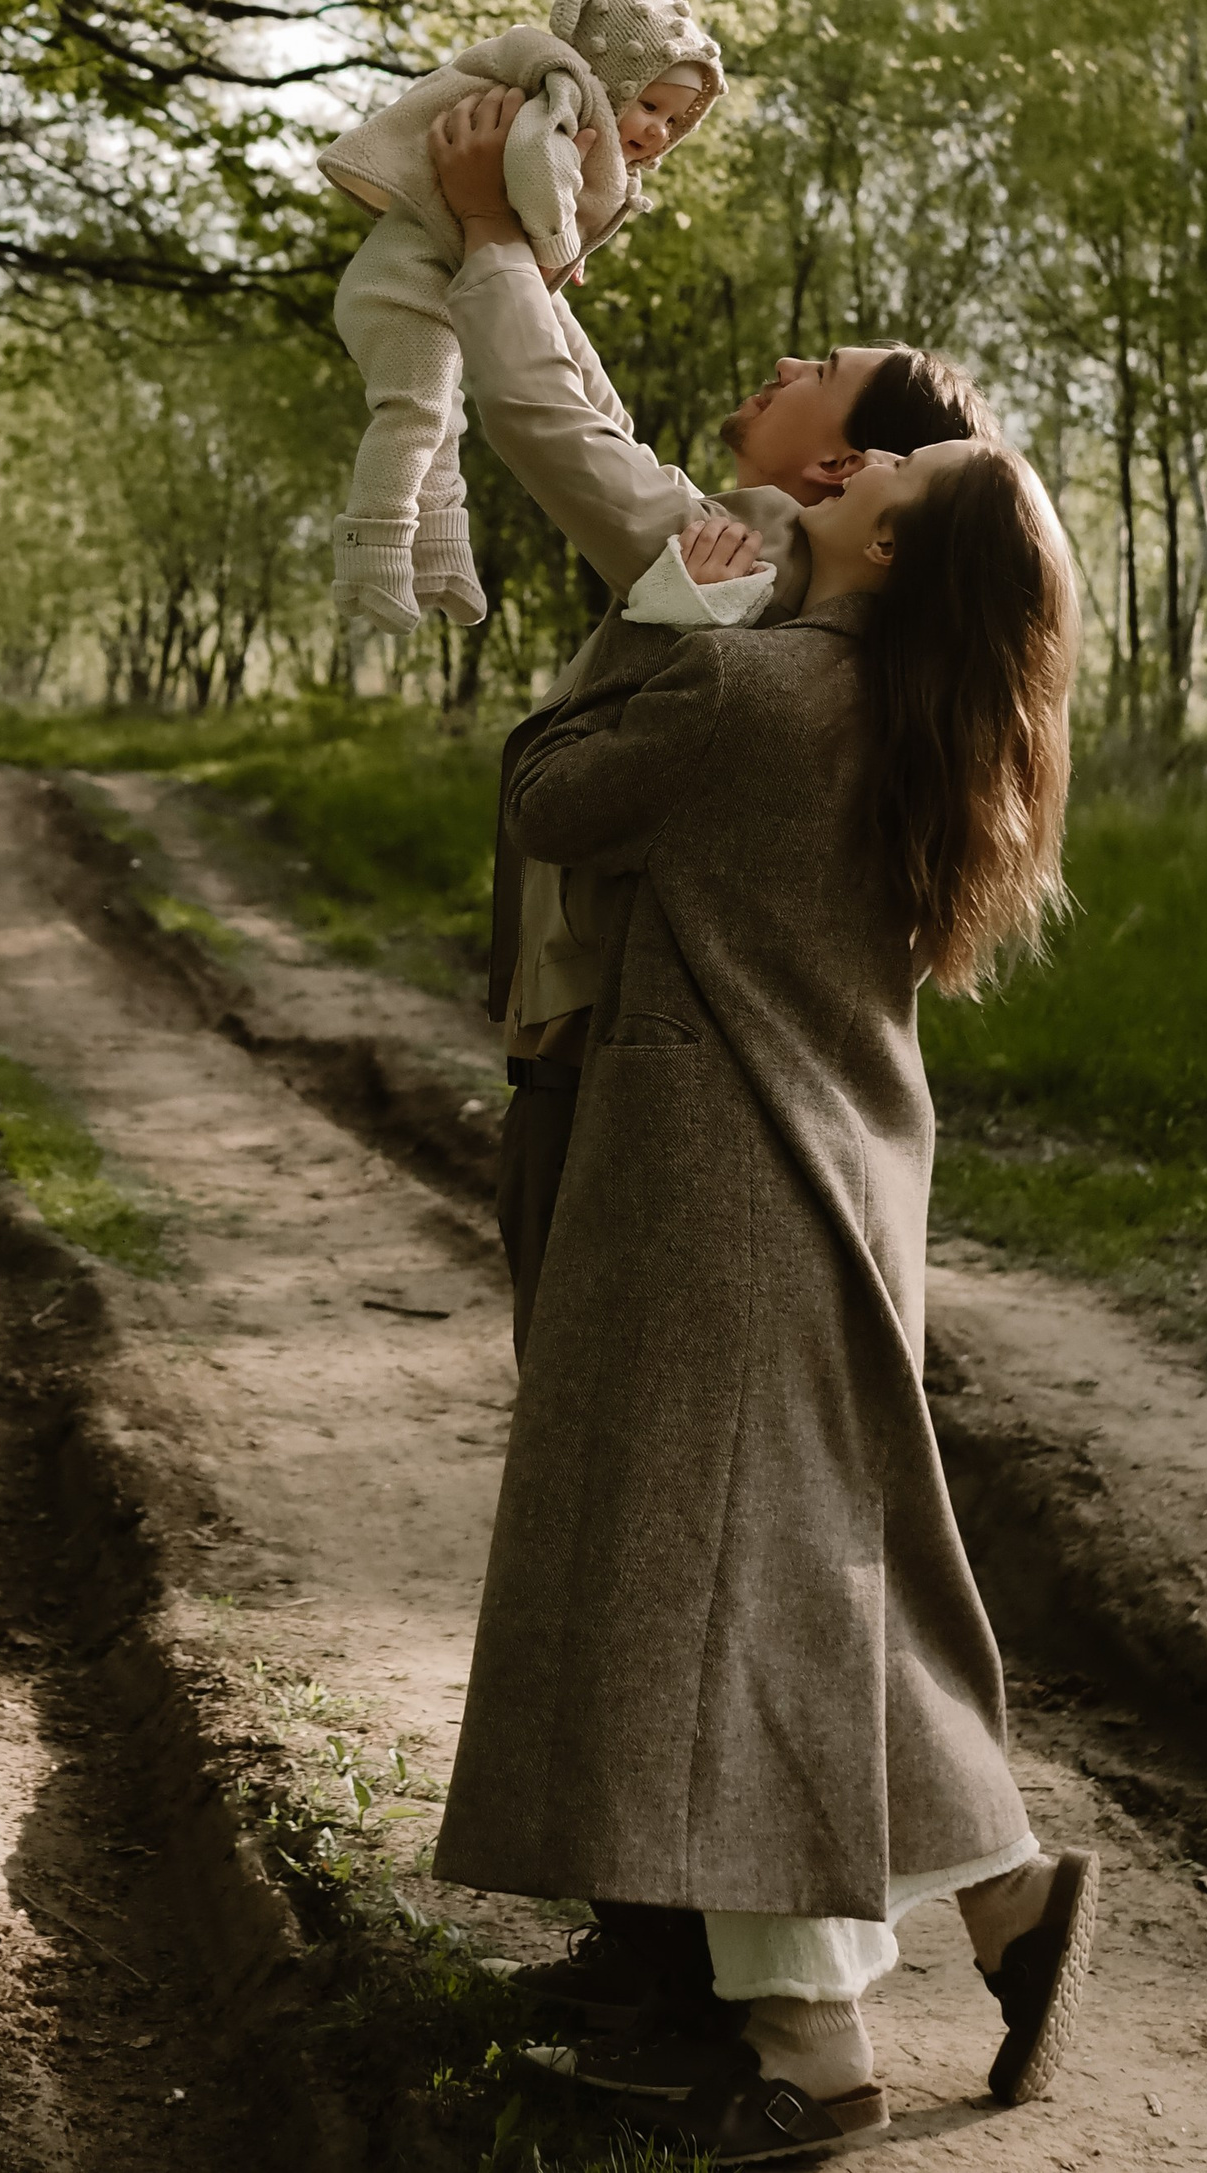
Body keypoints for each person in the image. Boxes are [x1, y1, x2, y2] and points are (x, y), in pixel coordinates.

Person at [433, 442, 1096, 2160]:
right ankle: (1008, 1896)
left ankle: (812, 2047)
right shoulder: (926, 715)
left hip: (707, 1191)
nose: (859, 453)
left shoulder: (750, 683)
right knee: (793, 1577)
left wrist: (673, 603)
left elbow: (542, 798)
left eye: (897, 459)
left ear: (888, 539)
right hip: (838, 1175)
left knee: (719, 1619)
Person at [422, 86, 1000, 2050]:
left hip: (665, 1101)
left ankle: (840, 1951)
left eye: (808, 369)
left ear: (842, 469)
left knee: (688, 1538)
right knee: (669, 1528)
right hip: (693, 1088)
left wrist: (499, 239)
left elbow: (551, 435)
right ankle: (680, 1938)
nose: (768, 367)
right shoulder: (802, 598)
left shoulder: (746, 568)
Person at [320, 0, 724, 636]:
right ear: (615, 80)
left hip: (438, 284)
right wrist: (558, 239)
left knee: (445, 419)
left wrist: (556, 253)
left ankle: (441, 555)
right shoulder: (562, 100)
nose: (659, 132)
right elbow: (537, 167)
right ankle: (372, 552)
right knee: (415, 416)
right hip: (403, 286)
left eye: (672, 119)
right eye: (651, 107)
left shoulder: (588, 122)